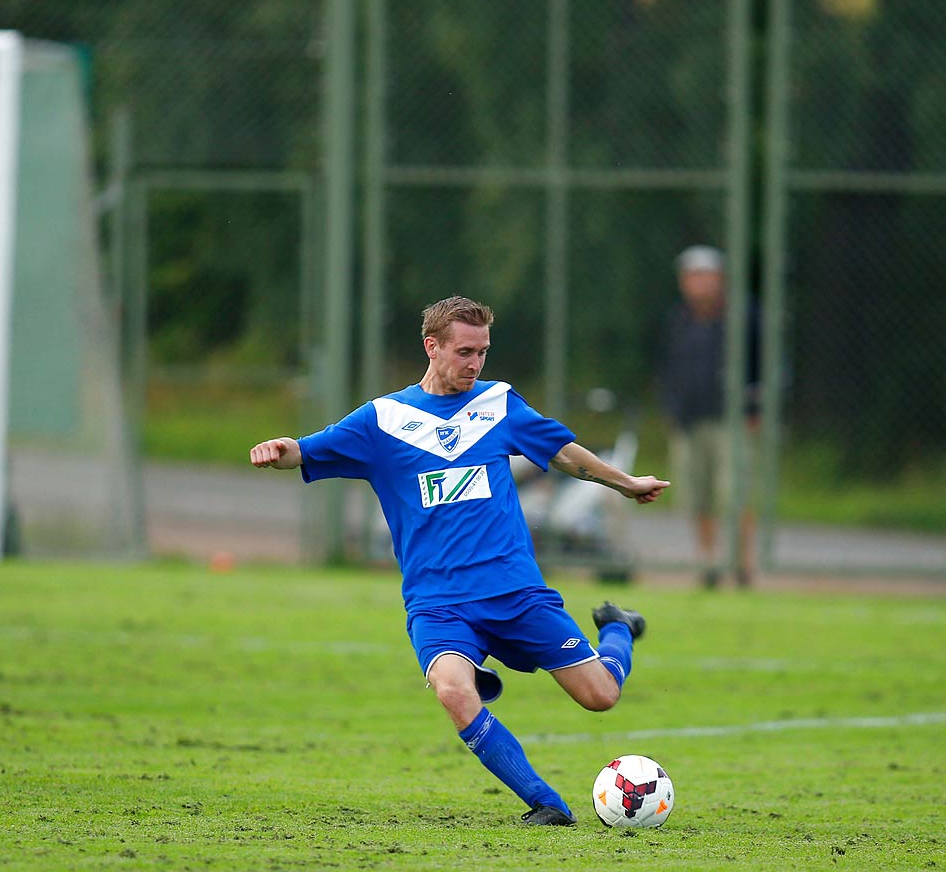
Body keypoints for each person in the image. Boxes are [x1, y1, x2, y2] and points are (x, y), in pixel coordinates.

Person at [250, 296, 669, 826]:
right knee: (452, 691)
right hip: (438, 602)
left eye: (483, 353)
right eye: (465, 352)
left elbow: (565, 454)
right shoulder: (384, 419)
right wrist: (280, 449)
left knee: (600, 696)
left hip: (514, 590)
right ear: (433, 347)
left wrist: (627, 483)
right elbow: (307, 450)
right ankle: (547, 804)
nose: (475, 364)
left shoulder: (498, 404)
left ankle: (619, 630)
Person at [659, 244, 759, 588]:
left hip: (730, 421)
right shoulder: (679, 320)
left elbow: (762, 365)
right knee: (698, 496)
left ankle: (743, 564)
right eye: (690, 276)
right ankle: (709, 563)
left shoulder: (742, 317)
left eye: (704, 275)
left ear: (719, 279)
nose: (696, 282)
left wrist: (755, 409)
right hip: (690, 421)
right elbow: (669, 369)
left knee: (734, 494)